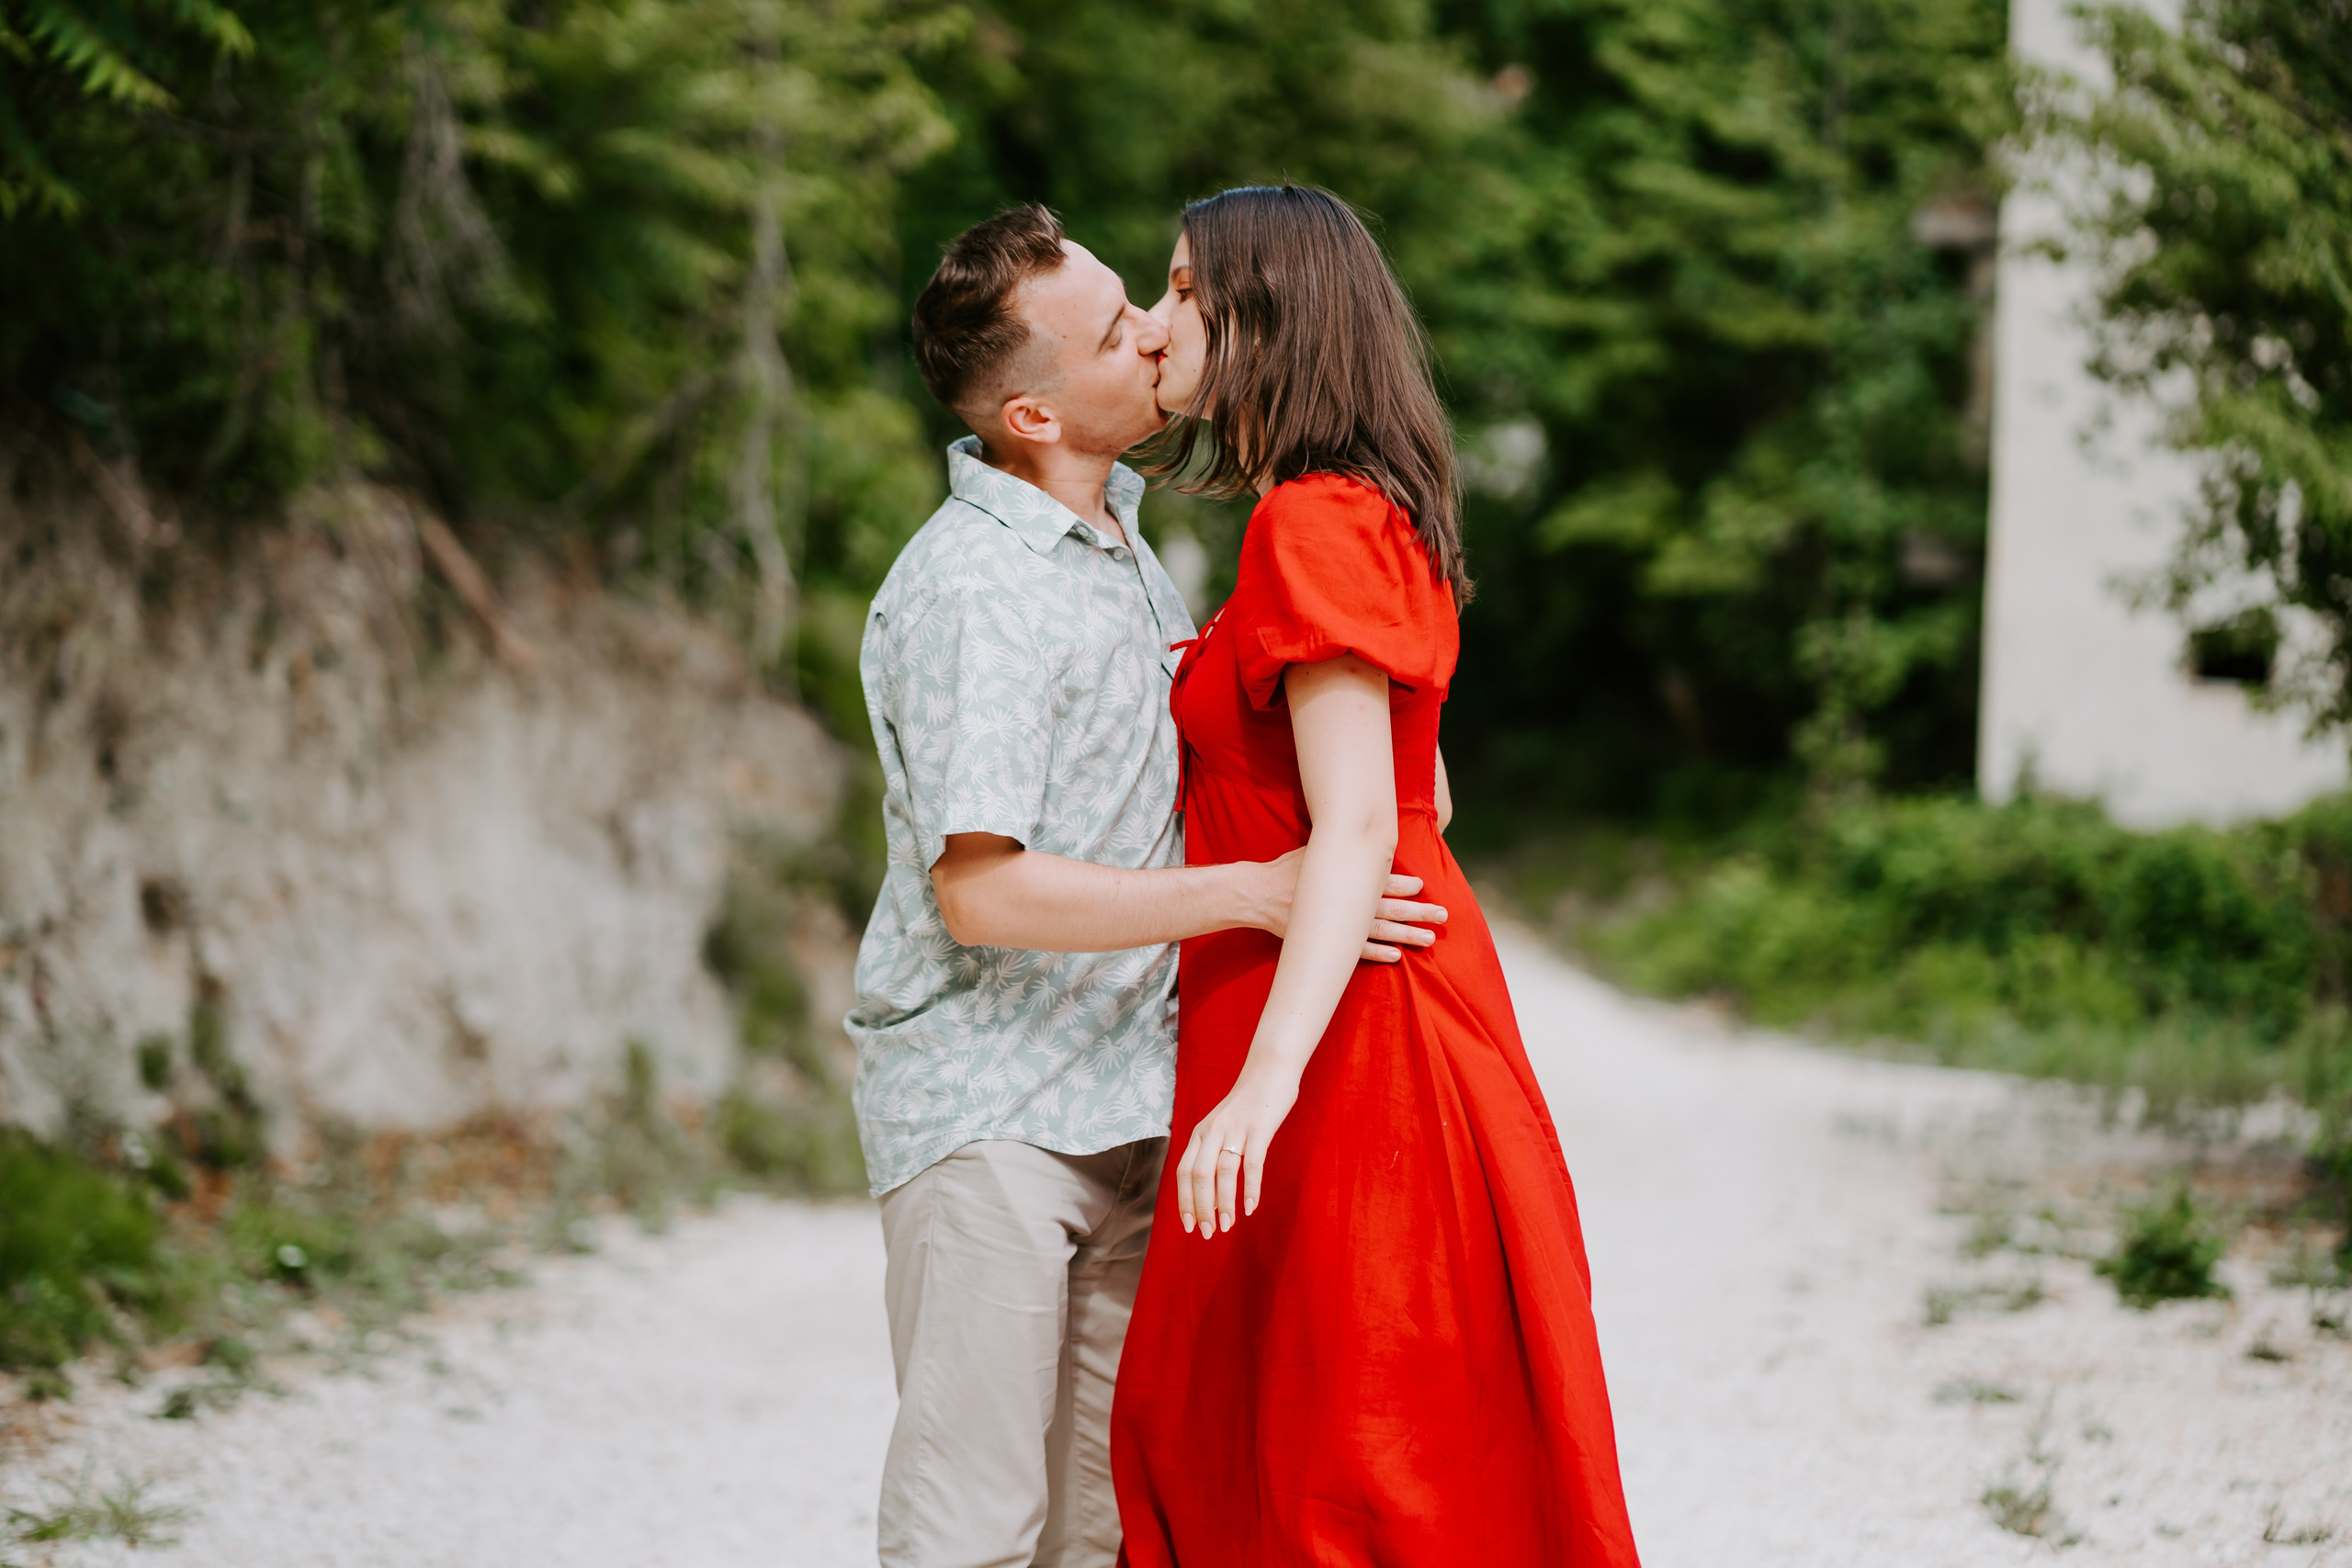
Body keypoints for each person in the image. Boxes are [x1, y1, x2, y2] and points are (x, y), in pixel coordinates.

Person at [848, 203, 1446, 1568]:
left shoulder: (1137, 550)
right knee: (976, 1531)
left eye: (1147, 303)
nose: (1158, 332)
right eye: (1120, 329)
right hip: (996, 1113)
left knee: (1108, 1529)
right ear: (1036, 418)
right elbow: (982, 898)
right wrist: (1255, 894)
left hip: (1135, 1106)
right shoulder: (975, 591)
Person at [1109, 185, 1644, 1565]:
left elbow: (1361, 827)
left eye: (1180, 293)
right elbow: (1428, 791)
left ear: (1264, 315)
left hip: (1348, 1039)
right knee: (1295, 1431)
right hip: (1347, 1001)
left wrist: (1263, 1089)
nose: (1154, 324)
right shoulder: (1346, 509)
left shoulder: (1312, 523)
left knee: (1356, 1452)